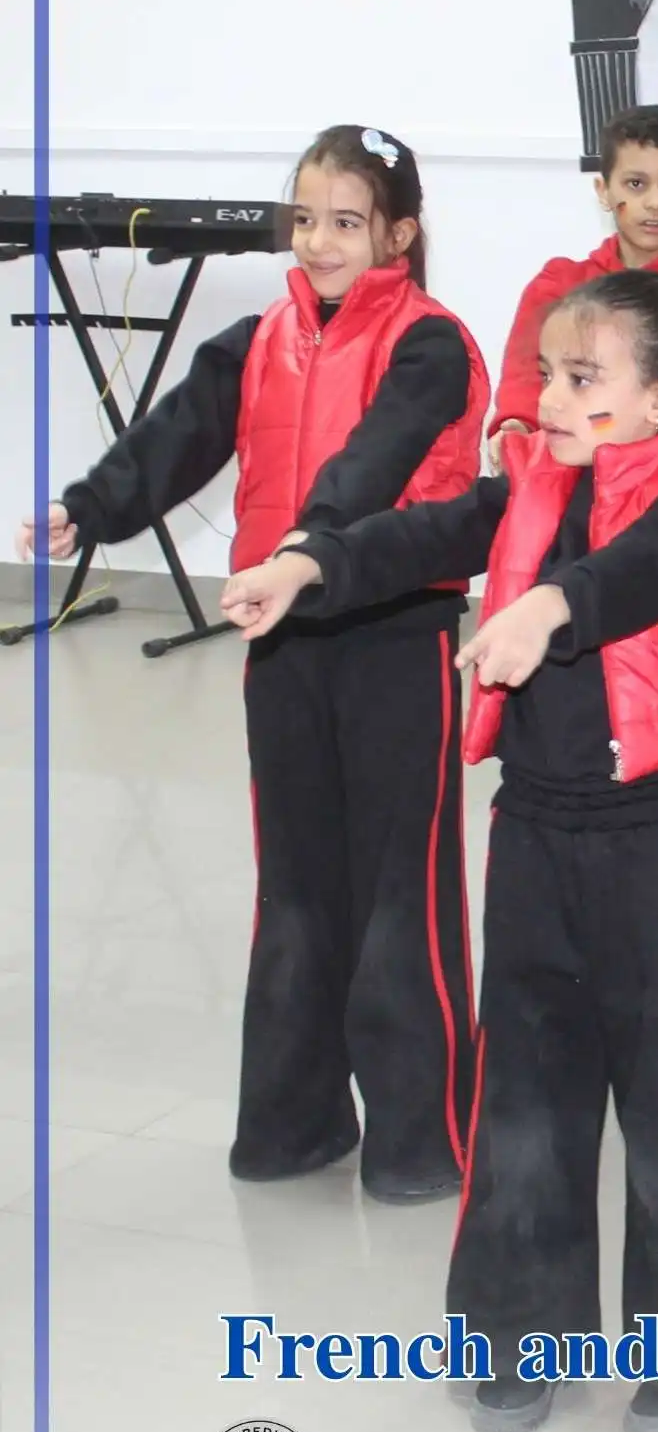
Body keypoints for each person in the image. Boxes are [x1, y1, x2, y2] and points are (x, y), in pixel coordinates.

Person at [223, 269, 658, 1432]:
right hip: (532, 831)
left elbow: (633, 572)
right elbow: (422, 533)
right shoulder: (530, 483)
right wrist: (308, 563)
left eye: (584, 379)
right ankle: (517, 1331)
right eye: (550, 375)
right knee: (523, 1090)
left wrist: (547, 608)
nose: (553, 398)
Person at [20, 125, 488, 1198]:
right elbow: (176, 436)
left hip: (393, 630)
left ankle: (424, 1139)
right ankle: (293, 1125)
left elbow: (374, 462)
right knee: (296, 885)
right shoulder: (257, 339)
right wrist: (90, 508)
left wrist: (308, 548)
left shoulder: (431, 346)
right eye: (306, 218)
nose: (319, 241)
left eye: (347, 222)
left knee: (398, 891)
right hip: (283, 636)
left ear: (399, 236)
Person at [490, 103, 658, 456]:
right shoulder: (560, 283)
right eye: (636, 184)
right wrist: (516, 426)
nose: (655, 202)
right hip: (569, 470)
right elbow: (525, 378)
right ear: (604, 191)